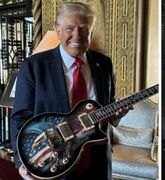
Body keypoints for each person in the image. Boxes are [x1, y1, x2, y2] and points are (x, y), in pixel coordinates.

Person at [10, 2, 129, 180]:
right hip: (54, 162)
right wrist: (23, 162)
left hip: (97, 163)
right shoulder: (34, 66)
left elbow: (108, 105)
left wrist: (116, 114)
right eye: (69, 28)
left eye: (84, 28)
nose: (77, 35)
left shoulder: (104, 64)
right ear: (58, 30)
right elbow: (20, 118)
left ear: (91, 30)